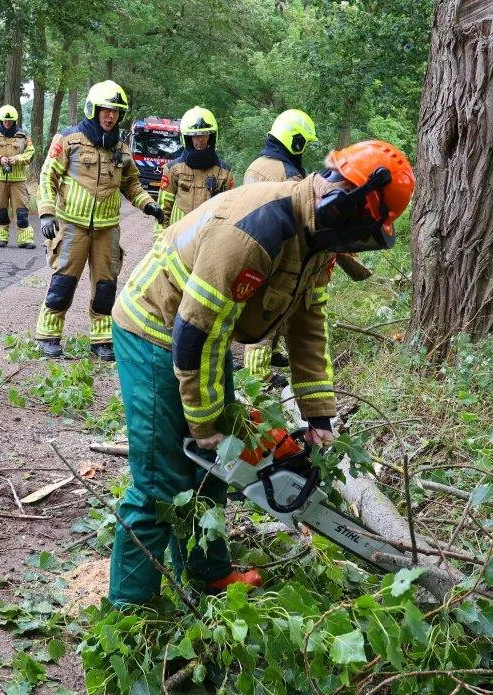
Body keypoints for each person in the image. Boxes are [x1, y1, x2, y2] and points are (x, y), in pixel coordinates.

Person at [108, 139, 415, 607]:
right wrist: (204, 424)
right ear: (344, 203)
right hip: (155, 327)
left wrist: (318, 417)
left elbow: (309, 325)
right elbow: (196, 334)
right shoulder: (256, 230)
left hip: (204, 334)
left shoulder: (319, 239)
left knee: (214, 470)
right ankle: (132, 608)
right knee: (161, 481)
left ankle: (207, 573)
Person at [35, 80, 166, 362]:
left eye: (116, 112)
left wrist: (150, 205)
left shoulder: (122, 148)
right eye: (106, 110)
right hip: (72, 225)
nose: (110, 116)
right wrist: (46, 212)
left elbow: (132, 184)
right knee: (64, 281)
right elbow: (48, 176)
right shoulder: (68, 140)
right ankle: (48, 335)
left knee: (106, 286)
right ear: (93, 109)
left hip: (107, 230)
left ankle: (102, 340)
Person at [240, 109, 319, 384]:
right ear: (295, 141)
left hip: (250, 243)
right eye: (304, 143)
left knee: (262, 306)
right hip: (277, 251)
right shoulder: (288, 174)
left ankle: (268, 358)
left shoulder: (256, 165)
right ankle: (257, 377)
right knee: (267, 308)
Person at [157, 106, 234, 227]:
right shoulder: (173, 169)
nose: (200, 139)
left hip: (208, 235)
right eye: (195, 135)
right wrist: (161, 236)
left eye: (204, 134)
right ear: (187, 138)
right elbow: (163, 209)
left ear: (211, 136)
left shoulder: (225, 172)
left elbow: (230, 210)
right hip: (179, 235)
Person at [0, 104, 36, 249]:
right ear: (1, 120)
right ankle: (1, 238)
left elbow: (30, 153)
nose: (7, 123)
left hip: (18, 180)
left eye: (10, 121)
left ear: (14, 121)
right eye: (5, 120)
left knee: (22, 212)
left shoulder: (23, 136)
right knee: (1, 211)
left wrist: (18, 159)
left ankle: (25, 239)